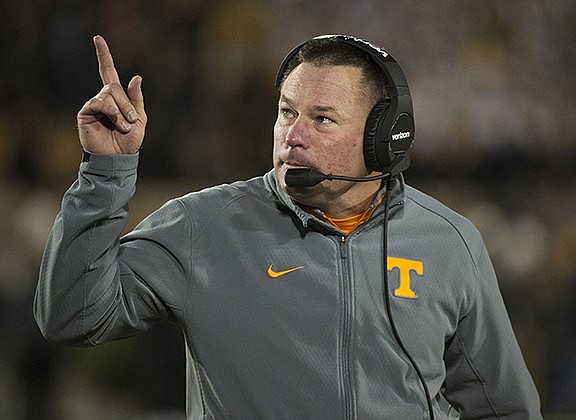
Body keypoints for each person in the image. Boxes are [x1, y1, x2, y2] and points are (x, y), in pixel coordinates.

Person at [34, 34, 542, 419]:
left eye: (322, 119)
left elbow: (502, 408)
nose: (293, 135)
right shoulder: (203, 224)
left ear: (385, 138)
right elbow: (73, 317)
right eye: (286, 112)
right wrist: (105, 174)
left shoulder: (449, 241)